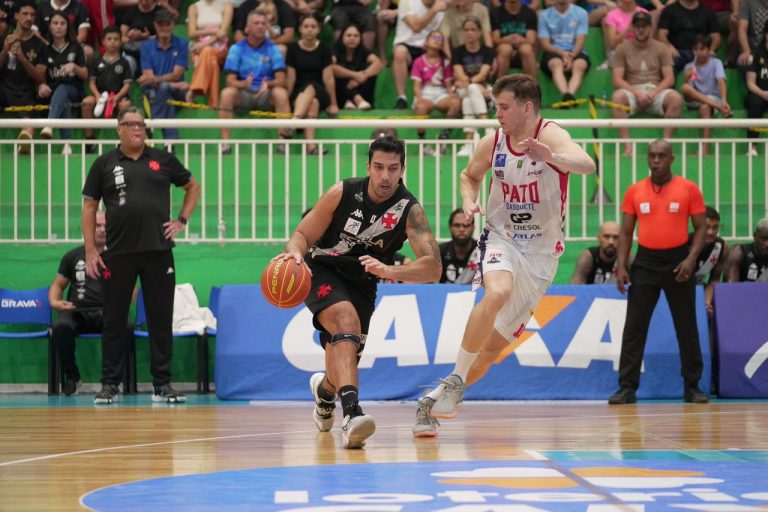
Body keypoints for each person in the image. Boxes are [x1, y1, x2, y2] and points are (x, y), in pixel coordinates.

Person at [412, 74, 596, 437]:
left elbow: (587, 164)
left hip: (542, 253)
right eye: (496, 106)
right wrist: (469, 201)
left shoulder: (550, 135)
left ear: (527, 108)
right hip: (502, 237)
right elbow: (469, 176)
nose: (497, 113)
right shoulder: (493, 141)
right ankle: (455, 381)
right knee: (497, 292)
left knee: (489, 354)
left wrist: (552, 157)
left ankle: (432, 399)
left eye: (504, 107)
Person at [276, 135, 441, 449]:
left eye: (392, 168)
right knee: (346, 322)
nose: (385, 176)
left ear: (403, 169)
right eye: (378, 167)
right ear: (368, 167)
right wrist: (295, 254)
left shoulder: (409, 210)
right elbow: (301, 235)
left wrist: (389, 271)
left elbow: (433, 268)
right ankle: (352, 415)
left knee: (343, 359)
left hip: (364, 282)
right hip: (322, 268)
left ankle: (324, 394)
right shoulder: (342, 193)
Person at [82, 107, 201, 405]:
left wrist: (181, 221)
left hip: (159, 252)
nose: (137, 128)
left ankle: (162, 385)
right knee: (114, 320)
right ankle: (110, 385)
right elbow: (89, 207)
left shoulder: (163, 159)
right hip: (118, 253)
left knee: (160, 320)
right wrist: (91, 249)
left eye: (141, 124)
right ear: (118, 129)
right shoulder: (104, 163)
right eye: (130, 123)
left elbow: (192, 186)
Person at [608, 139, 708, 405]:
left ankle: (693, 386)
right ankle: (627, 388)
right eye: (652, 155)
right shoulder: (635, 191)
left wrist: (691, 259)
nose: (656, 160)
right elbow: (626, 232)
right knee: (634, 327)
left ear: (671, 159)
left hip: (679, 262)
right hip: (645, 263)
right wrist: (622, 266)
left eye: (662, 156)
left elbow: (700, 228)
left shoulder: (688, 189)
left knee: (686, 326)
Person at [218, 9, 291, 153]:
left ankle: (282, 143)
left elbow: (282, 79)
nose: (260, 26)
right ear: (248, 27)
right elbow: (230, 81)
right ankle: (225, 143)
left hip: (265, 94)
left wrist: (268, 84)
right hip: (243, 93)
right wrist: (244, 84)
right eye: (256, 23)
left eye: (263, 23)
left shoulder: (273, 49)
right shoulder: (236, 48)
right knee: (227, 93)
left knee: (281, 93)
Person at [610, 11, 682, 156]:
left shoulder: (661, 47)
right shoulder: (622, 48)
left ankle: (665, 145)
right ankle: (628, 147)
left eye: (644, 26)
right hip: (632, 90)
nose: (641, 30)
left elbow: (669, 78)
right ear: (632, 27)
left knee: (676, 98)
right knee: (617, 97)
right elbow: (617, 79)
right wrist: (637, 93)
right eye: (637, 26)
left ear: (651, 27)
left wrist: (653, 94)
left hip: (656, 90)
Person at [285, 13, 339, 155]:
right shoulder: (292, 48)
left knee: (312, 87)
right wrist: (287, 99)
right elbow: (290, 78)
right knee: (313, 103)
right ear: (300, 29)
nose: (309, 29)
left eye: (313, 26)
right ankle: (311, 147)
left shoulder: (325, 48)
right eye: (306, 26)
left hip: (320, 90)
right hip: (299, 92)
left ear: (318, 29)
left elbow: (328, 78)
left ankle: (294, 123)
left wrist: (333, 103)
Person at [36, 11, 89, 155]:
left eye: (62, 23)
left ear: (67, 26)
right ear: (50, 26)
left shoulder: (75, 47)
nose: (59, 26)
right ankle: (67, 144)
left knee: (64, 89)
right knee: (62, 99)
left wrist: (74, 67)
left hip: (74, 89)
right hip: (53, 92)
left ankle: (49, 124)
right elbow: (40, 75)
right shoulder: (45, 49)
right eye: (55, 23)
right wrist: (41, 85)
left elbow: (85, 74)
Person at [0, 0, 46, 153]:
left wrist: (22, 58)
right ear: (16, 15)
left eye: (32, 15)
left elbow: (40, 77)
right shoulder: (3, 38)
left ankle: (24, 144)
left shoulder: (39, 45)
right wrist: (4, 51)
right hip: (3, 89)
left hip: (24, 92)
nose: (29, 18)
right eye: (25, 14)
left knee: (29, 122)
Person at [138, 8, 189, 143]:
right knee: (165, 97)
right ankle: (170, 145)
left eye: (168, 24)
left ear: (173, 25)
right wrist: (170, 83)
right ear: (155, 25)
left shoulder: (182, 44)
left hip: (177, 92)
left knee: (163, 89)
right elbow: (148, 77)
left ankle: (152, 126)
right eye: (161, 24)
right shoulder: (146, 47)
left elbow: (177, 75)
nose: (164, 27)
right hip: (155, 91)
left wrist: (159, 80)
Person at [81, 25, 133, 150]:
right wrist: (97, 96)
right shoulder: (97, 61)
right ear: (103, 41)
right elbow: (92, 82)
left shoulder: (124, 62)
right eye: (109, 39)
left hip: (118, 96)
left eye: (116, 39)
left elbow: (127, 84)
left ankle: (124, 140)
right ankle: (89, 140)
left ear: (120, 42)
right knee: (86, 103)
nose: (112, 42)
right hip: (100, 97)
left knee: (125, 105)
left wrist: (117, 97)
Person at [411, 30, 461, 155]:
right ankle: (423, 141)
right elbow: (416, 86)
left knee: (455, 103)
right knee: (421, 107)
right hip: (425, 92)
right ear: (426, 41)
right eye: (434, 37)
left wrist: (451, 94)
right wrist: (419, 98)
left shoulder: (445, 62)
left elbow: (448, 85)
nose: (437, 41)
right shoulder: (418, 61)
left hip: (441, 93)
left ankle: (444, 137)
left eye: (440, 39)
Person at [680, 34, 732, 155]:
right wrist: (687, 78)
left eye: (702, 49)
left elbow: (721, 80)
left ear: (708, 50)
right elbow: (689, 93)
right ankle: (720, 108)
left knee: (704, 107)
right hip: (696, 99)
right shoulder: (689, 67)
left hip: (713, 99)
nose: (698, 52)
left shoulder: (716, 63)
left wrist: (724, 100)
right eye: (695, 49)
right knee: (684, 87)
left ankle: (705, 147)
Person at [391, 0, 447, 109]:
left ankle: (435, 97)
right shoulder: (407, 2)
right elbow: (415, 26)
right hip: (407, 45)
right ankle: (401, 98)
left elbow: (441, 33)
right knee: (399, 52)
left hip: (427, 47)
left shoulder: (441, 6)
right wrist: (434, 10)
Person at [452, 16, 495, 156]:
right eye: (466, 30)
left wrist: (472, 83)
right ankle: (487, 127)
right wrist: (473, 84)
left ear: (480, 32)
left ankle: (468, 144)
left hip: (482, 88)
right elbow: (459, 74)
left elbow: (483, 74)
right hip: (464, 88)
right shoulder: (457, 51)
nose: (469, 33)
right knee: (472, 89)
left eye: (473, 29)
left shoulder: (488, 51)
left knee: (467, 100)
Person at [538, 0, 591, 103]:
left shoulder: (581, 13)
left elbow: (580, 40)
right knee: (556, 64)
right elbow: (545, 44)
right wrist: (562, 53)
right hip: (554, 51)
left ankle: (570, 94)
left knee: (580, 65)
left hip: (575, 51)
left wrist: (571, 55)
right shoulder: (544, 15)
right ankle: (565, 95)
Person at [186, 0, 233, 108]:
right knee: (211, 59)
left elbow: (223, 32)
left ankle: (194, 90)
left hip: (221, 49)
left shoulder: (227, 6)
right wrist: (213, 31)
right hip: (201, 50)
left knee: (207, 50)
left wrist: (204, 44)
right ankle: (214, 103)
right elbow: (192, 33)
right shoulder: (193, 7)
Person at [657, 0, 719, 71]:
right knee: (667, 60)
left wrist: (711, 50)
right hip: (677, 52)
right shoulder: (669, 10)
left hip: (700, 52)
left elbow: (716, 37)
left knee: (713, 63)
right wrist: (669, 47)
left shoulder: (708, 12)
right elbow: (661, 34)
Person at [332, 24, 384, 110]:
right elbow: (331, 67)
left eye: (356, 36)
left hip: (359, 88)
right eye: (349, 35)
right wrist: (355, 75)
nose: (352, 38)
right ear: (342, 37)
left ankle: (352, 101)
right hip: (340, 94)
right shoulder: (335, 50)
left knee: (370, 70)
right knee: (339, 71)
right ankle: (355, 99)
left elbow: (378, 63)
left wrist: (363, 76)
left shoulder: (363, 51)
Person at [693, 206, 727, 316]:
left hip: (699, 288)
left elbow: (714, 279)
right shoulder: (684, 244)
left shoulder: (722, 247)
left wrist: (706, 303)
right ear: (698, 226)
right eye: (707, 227)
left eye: (715, 227)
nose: (711, 232)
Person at [491, 0, 538, 80]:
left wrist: (520, 39)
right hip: (502, 52)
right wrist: (508, 39)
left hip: (522, 51)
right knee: (505, 48)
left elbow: (531, 40)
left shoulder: (530, 13)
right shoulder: (496, 13)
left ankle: (533, 85)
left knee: (526, 49)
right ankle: (499, 86)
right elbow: (495, 40)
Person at [744, 20, 768, 156]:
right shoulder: (758, 54)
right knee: (755, 103)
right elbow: (750, 83)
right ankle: (752, 146)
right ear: (766, 34)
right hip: (759, 94)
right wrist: (763, 94)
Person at [439, 207, 478, 283]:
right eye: (457, 225)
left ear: (473, 228)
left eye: (466, 225)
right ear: (450, 228)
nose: (461, 229)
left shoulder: (482, 251)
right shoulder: (441, 251)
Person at [725, 217, 768, 282]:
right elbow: (730, 287)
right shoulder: (739, 253)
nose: (767, 244)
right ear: (755, 236)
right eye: (763, 239)